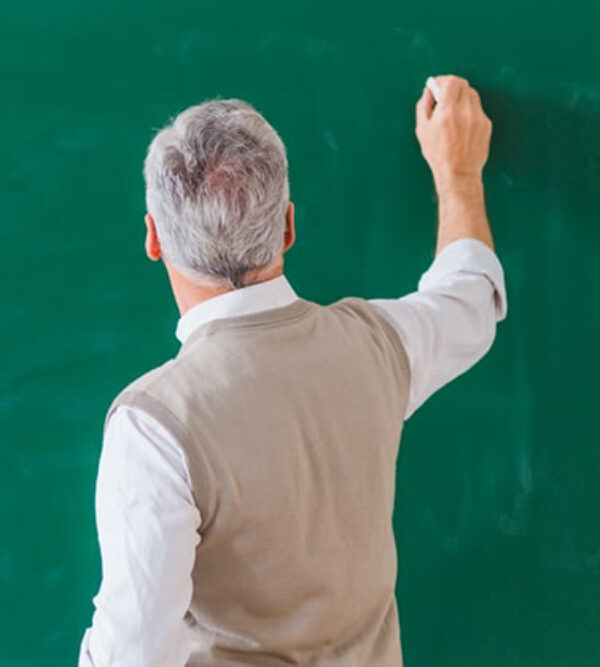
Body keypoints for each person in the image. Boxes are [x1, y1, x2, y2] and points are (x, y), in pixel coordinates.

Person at [78, 74, 507, 666]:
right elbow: (472, 299)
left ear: (153, 239)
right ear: (287, 226)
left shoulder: (154, 427)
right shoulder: (377, 345)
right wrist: (458, 174)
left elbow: (133, 655)